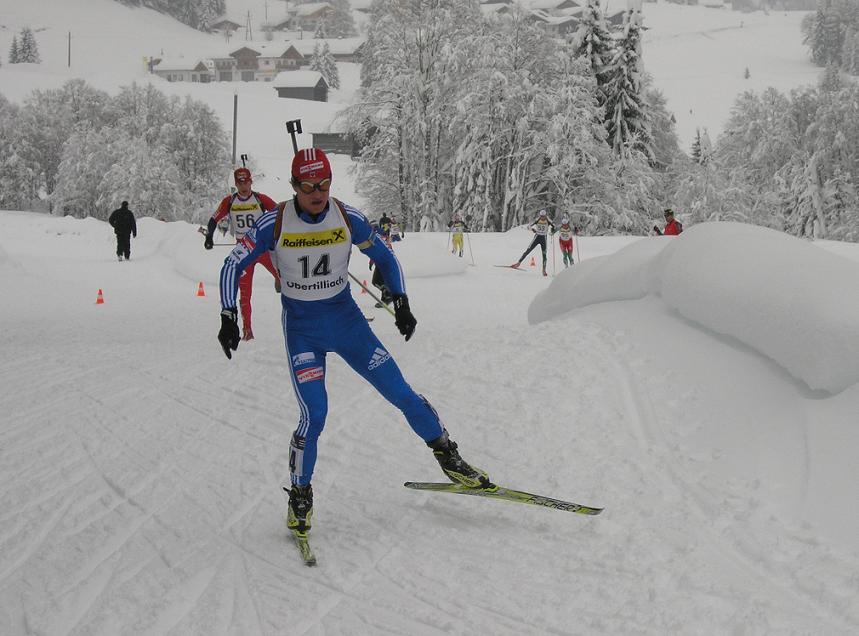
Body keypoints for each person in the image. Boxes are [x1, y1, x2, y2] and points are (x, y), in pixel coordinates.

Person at [216, 147, 490, 535]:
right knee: (315, 415)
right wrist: (228, 314)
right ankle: (300, 495)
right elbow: (232, 264)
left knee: (403, 393)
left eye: (324, 184)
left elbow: (386, 256)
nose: (318, 193)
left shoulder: (347, 217)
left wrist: (402, 300)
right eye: (309, 186)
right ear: (294, 186)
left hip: (348, 326)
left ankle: (450, 457)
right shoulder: (273, 223)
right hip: (303, 331)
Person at [205, 167, 280, 341]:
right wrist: (209, 236)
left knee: (287, 279)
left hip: (262, 248)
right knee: (245, 292)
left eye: (246, 182)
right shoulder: (229, 201)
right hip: (243, 251)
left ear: (251, 181)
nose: (243, 186)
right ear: (236, 184)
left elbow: (280, 214)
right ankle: (247, 330)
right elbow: (213, 219)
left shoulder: (260, 199)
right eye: (240, 183)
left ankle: (278, 279)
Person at [511, 209, 555, 276]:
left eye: (544, 216)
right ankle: (518, 263)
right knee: (528, 250)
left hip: (544, 238)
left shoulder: (548, 220)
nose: (542, 217)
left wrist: (553, 230)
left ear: (546, 216)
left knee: (544, 254)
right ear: (540, 216)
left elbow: (555, 227)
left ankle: (544, 270)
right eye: (541, 216)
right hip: (537, 237)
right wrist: (532, 229)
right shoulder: (537, 220)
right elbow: (528, 226)